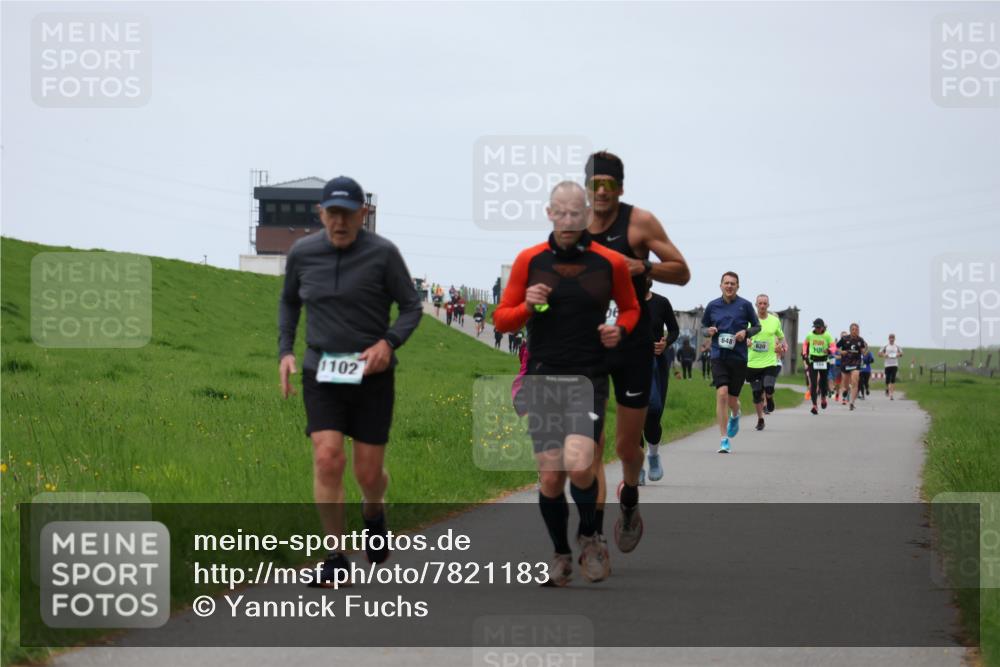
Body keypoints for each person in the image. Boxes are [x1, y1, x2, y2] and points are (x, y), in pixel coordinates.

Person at [278, 176, 422, 586]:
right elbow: (289, 302)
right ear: (320, 214)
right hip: (321, 371)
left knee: (368, 474)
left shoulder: (383, 254)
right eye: (332, 214)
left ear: (364, 214)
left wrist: (388, 344)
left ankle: (374, 511)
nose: (339, 222)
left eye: (347, 214)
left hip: (372, 376)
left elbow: (411, 307)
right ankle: (335, 558)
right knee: (327, 458)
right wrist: (286, 351)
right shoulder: (303, 253)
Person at [494, 181, 639, 586]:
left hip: (588, 376)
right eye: (562, 212)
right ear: (550, 214)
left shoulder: (609, 262)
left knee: (578, 464)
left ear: (588, 215)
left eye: (577, 212)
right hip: (543, 375)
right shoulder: (530, 260)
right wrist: (526, 305)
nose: (569, 220)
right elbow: (502, 319)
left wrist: (619, 330)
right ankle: (561, 554)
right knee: (550, 475)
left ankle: (590, 537)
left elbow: (630, 309)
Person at [585, 151, 690, 554]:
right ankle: (592, 539)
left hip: (633, 345)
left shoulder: (640, 223)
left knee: (627, 448)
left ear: (621, 188)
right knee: (590, 448)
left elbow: (681, 271)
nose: (601, 192)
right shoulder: (574, 224)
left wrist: (643, 267)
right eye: (595, 184)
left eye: (608, 185)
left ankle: (629, 500)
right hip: (590, 346)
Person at [702, 271, 761, 454]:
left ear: (737, 286)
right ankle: (724, 439)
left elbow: (757, 326)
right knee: (722, 393)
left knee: (732, 399)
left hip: (739, 357)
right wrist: (708, 331)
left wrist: (746, 333)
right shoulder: (712, 306)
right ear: (721, 285)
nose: (729, 286)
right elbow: (703, 327)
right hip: (718, 356)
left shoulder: (745, 305)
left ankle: (736, 413)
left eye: (732, 283)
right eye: (726, 283)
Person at [640, 283, 680, 484]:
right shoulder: (623, 302)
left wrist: (666, 343)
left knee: (653, 414)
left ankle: (653, 455)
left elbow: (674, 330)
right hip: (630, 364)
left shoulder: (661, 302)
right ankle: (636, 465)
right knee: (633, 418)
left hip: (656, 365)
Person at [745, 294, 786, 431]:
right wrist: (746, 341)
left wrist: (781, 347)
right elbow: (742, 336)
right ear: (756, 305)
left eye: (764, 303)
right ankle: (760, 419)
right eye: (760, 303)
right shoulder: (749, 320)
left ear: (768, 305)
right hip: (752, 363)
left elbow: (781, 338)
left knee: (768, 386)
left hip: (769, 362)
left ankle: (769, 397)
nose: (762, 306)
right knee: (757, 393)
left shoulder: (774, 321)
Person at [803, 318, 835, 415]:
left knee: (823, 382)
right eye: (816, 327)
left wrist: (829, 350)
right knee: (813, 383)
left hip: (824, 360)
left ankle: (823, 398)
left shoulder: (827, 335)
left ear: (823, 327)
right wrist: (805, 354)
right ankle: (814, 405)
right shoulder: (810, 335)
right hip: (813, 361)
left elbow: (834, 347)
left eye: (819, 327)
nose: (817, 329)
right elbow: (805, 344)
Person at [836, 323, 868, 411]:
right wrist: (841, 352)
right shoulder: (844, 339)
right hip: (845, 363)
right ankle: (846, 391)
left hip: (856, 363)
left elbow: (863, 352)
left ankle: (852, 402)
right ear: (850, 330)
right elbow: (836, 347)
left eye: (856, 329)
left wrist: (866, 348)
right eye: (853, 329)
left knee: (855, 381)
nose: (855, 331)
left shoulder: (860, 340)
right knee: (845, 384)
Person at [879, 334, 904, 400]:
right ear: (889, 339)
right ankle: (887, 389)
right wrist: (884, 355)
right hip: (887, 365)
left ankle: (891, 395)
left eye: (893, 338)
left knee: (893, 379)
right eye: (890, 338)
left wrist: (898, 354)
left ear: (894, 339)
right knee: (887, 379)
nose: (891, 339)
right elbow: (879, 353)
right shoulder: (885, 346)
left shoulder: (897, 346)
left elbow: (902, 353)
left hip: (894, 364)